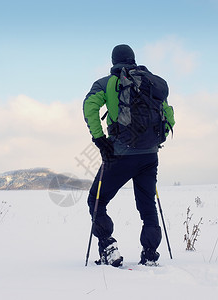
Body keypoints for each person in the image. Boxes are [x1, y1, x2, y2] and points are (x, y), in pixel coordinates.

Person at [83, 44, 175, 267]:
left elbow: (89, 107)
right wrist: (155, 140)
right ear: (133, 59)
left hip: (120, 155)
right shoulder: (151, 82)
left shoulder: (106, 83)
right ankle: (150, 253)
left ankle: (108, 246)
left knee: (97, 200)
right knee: (147, 207)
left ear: (113, 61)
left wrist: (99, 139)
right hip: (149, 156)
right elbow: (169, 115)